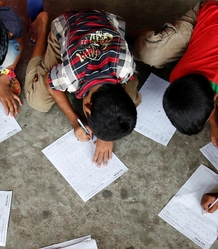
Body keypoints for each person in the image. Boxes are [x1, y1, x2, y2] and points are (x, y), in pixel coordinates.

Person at [132, 0, 218, 150]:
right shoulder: (177, 76)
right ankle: (142, 36)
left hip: (216, 15)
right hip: (209, 27)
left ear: (214, 97)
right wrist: (214, 122)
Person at [25, 10, 140, 167]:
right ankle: (42, 29)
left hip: (106, 20)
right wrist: (74, 120)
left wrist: (106, 135)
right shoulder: (71, 77)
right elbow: (49, 81)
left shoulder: (126, 67)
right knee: (37, 100)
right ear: (86, 106)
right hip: (65, 26)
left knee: (133, 94)